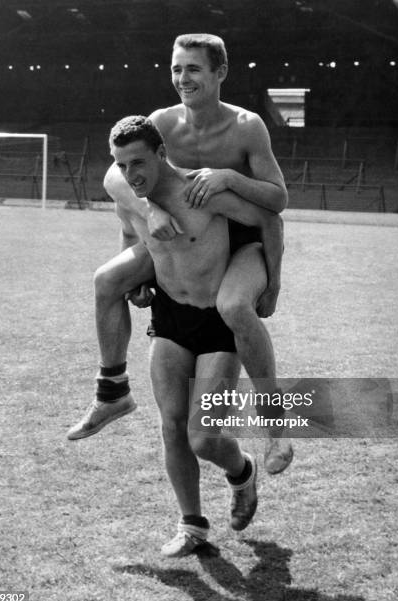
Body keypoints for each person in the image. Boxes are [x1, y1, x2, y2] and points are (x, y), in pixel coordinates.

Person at [67, 33, 292, 475]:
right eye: (175, 69)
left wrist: (228, 177)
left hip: (243, 238)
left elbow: (277, 201)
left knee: (232, 305)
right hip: (179, 237)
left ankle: (275, 431)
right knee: (108, 281)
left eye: (192, 69)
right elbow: (120, 182)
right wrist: (147, 220)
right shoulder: (162, 123)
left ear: (220, 72)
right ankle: (112, 391)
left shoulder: (246, 126)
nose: (182, 78)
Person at [108, 114, 285, 556]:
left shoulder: (200, 191)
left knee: (203, 436)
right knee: (171, 426)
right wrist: (139, 281)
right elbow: (130, 233)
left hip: (216, 322)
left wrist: (273, 283)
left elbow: (271, 219)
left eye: (138, 163)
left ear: (162, 154)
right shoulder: (133, 195)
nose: (132, 175)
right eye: (123, 165)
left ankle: (242, 473)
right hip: (170, 316)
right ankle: (192, 526)